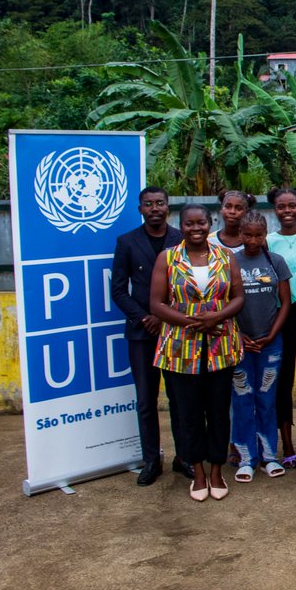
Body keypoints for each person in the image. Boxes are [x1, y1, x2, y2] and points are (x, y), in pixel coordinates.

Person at [149, 203, 245, 502]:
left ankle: (217, 471)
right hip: (180, 347)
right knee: (188, 414)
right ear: (181, 226)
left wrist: (215, 318)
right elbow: (157, 304)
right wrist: (194, 322)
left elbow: (238, 297)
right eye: (189, 224)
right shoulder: (168, 258)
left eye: (201, 223)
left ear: (209, 223)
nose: (195, 228)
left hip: (220, 345)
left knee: (218, 411)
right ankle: (199, 473)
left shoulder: (225, 256)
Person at [111, 186, 187, 486]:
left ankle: (184, 457)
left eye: (160, 203)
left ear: (168, 207)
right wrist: (145, 317)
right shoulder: (127, 242)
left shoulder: (180, 239)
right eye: (148, 204)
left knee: (179, 399)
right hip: (142, 333)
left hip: (177, 332)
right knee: (146, 400)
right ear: (140, 208)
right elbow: (118, 289)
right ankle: (151, 460)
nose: (154, 208)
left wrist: (166, 315)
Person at [231, 210, 291, 482]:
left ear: (266, 234)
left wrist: (271, 335)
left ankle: (269, 456)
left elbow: (285, 303)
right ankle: (246, 458)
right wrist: (239, 335)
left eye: (258, 235)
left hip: (270, 342)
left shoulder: (275, 261)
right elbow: (224, 304)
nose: (252, 240)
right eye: (247, 234)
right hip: (238, 343)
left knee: (266, 400)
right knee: (243, 400)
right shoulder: (230, 261)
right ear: (240, 234)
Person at [266, 185, 296, 470]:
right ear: (274, 209)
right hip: (280, 313)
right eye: (281, 206)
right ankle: (287, 443)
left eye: (292, 205)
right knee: (281, 377)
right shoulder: (268, 241)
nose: (287, 211)